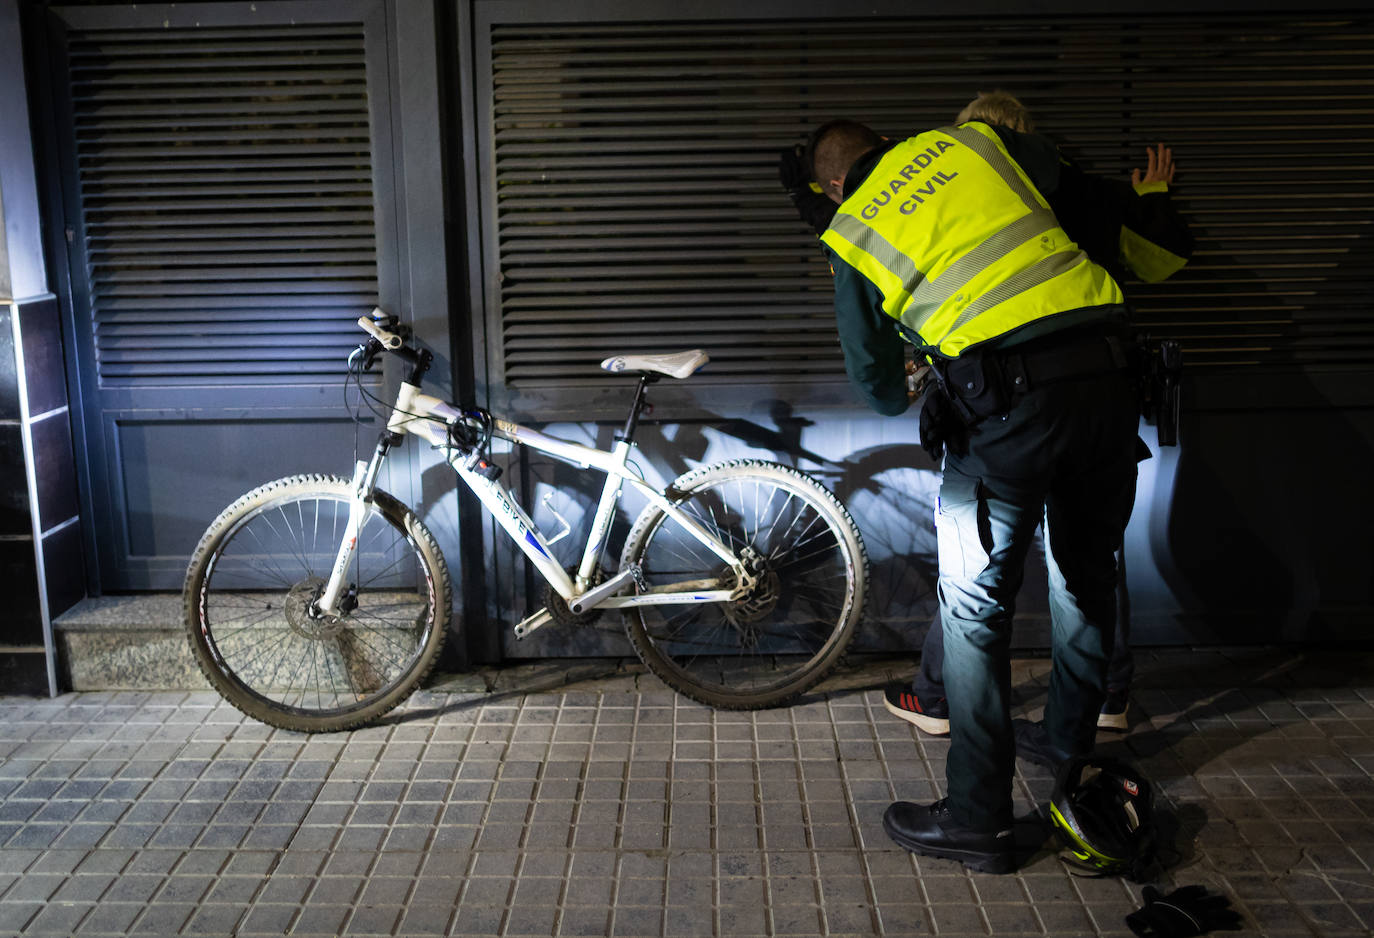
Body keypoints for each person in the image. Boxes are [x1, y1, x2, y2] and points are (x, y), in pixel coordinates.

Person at [806, 112, 1141, 875]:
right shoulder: (973, 142)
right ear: (888, 145)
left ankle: (978, 820)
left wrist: (923, 365)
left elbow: (879, 385)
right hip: (1110, 377)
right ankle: (1067, 756)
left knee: (974, 613)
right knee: (1087, 580)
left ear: (833, 186)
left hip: (1011, 410)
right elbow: (1056, 175)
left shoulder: (852, 230)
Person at [870, 92, 1194, 737]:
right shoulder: (1085, 193)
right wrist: (1151, 200)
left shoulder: (965, 206)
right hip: (1099, 395)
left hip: (1002, 406)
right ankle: (1105, 697)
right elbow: (1162, 264)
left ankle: (939, 698)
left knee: (976, 569)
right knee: (1090, 564)